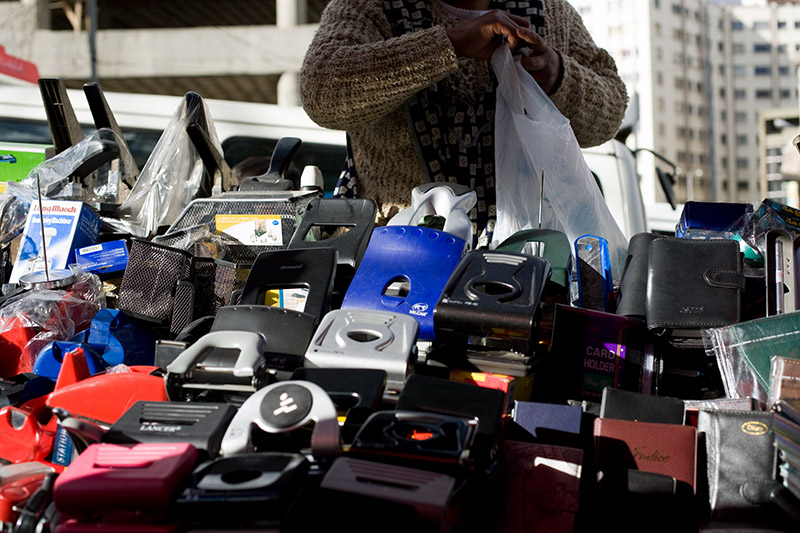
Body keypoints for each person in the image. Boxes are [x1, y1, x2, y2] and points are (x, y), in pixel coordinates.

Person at [300, 0, 628, 246]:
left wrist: (558, 75)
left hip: (525, 272)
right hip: (392, 264)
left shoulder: (550, 14)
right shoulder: (369, 6)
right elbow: (321, 92)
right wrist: (449, 45)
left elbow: (612, 109)